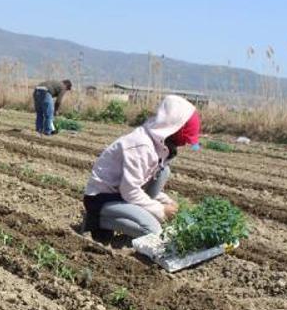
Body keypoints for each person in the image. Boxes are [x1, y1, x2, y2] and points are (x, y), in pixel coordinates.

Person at [82, 95, 200, 241]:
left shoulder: (159, 144)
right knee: (153, 231)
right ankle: (97, 221)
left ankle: (127, 217)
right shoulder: (141, 146)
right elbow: (130, 191)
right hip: (102, 198)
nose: (185, 143)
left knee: (164, 171)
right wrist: (161, 210)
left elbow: (142, 183)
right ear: (174, 126)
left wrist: (167, 202)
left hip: (122, 194)